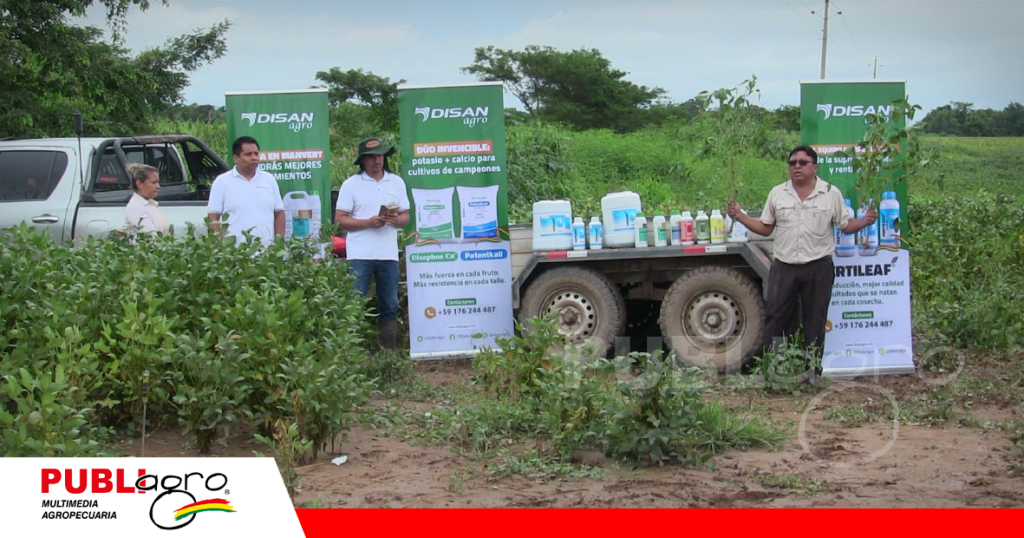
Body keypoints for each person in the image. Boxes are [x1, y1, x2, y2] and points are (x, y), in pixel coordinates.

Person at [728, 145, 877, 375]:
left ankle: (812, 373)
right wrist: (740, 216)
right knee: (776, 319)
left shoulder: (831, 193)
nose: (796, 166)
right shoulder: (778, 193)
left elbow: (846, 226)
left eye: (803, 162)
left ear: (814, 167)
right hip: (784, 267)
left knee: (814, 321)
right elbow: (765, 228)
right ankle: (775, 370)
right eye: (792, 162)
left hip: (818, 267)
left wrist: (865, 222)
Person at [334, 137, 410, 349]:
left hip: (388, 254)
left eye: (379, 156)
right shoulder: (351, 184)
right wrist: (367, 222)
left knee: (390, 303)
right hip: (360, 254)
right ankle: (352, 351)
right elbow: (339, 221)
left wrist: (396, 220)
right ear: (363, 161)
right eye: (371, 157)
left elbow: (406, 217)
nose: (376, 161)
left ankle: (389, 354)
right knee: (355, 303)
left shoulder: (396, 182)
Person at [207, 136, 284, 246]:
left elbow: (279, 213)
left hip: (266, 255)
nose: (254, 158)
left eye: (256, 154)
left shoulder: (269, 179)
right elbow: (213, 217)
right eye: (248, 154)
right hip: (235, 255)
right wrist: (221, 247)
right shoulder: (222, 182)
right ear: (235, 158)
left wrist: (278, 246)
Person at [124, 163, 170, 236]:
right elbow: (149, 238)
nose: (158, 186)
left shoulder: (150, 204)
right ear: (139, 184)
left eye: (158, 182)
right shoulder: (136, 207)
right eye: (154, 182)